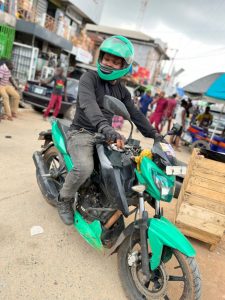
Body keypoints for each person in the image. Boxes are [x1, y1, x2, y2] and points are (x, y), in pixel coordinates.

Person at [57, 35, 162, 225]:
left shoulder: (122, 91)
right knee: (84, 168)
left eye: (115, 62)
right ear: (100, 58)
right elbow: (89, 104)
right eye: (106, 59)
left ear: (124, 66)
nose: (109, 64)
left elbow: (135, 114)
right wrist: (106, 127)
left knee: (127, 167)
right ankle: (64, 200)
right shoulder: (89, 78)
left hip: (104, 135)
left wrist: (155, 135)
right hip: (81, 133)